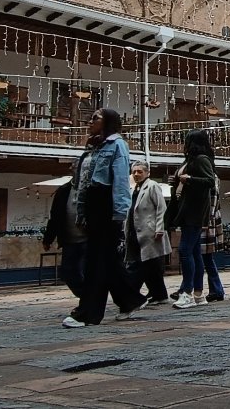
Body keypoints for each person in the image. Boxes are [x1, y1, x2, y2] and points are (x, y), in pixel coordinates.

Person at [64, 107, 148, 328]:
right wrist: (82, 211)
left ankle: (88, 313)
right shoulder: (93, 148)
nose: (90, 121)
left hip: (106, 204)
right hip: (93, 204)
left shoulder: (117, 145)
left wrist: (120, 212)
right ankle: (130, 299)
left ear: (108, 122)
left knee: (95, 262)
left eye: (96, 118)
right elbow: (82, 184)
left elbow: (120, 180)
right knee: (107, 261)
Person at [170, 129, 218, 309]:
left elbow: (209, 181)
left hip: (194, 211)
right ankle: (198, 294)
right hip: (187, 210)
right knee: (196, 252)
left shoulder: (201, 159)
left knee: (185, 250)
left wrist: (189, 179)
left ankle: (187, 292)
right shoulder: (189, 160)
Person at [125, 160, 171, 305]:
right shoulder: (134, 189)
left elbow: (161, 208)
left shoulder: (152, 186)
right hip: (135, 232)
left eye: (140, 171)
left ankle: (132, 294)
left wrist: (159, 228)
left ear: (147, 173)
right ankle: (158, 294)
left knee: (142, 265)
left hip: (149, 232)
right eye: (134, 172)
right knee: (149, 266)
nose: (137, 174)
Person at [43, 178, 86, 297]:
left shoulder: (91, 188)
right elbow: (55, 216)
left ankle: (87, 303)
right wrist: (48, 238)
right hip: (69, 240)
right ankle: (85, 298)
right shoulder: (63, 190)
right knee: (67, 273)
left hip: (88, 240)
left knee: (85, 272)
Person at [200, 175, 227, 301]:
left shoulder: (211, 177)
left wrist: (206, 221)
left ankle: (216, 289)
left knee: (206, 257)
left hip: (206, 222)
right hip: (207, 221)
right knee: (206, 258)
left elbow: (212, 202)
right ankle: (216, 290)